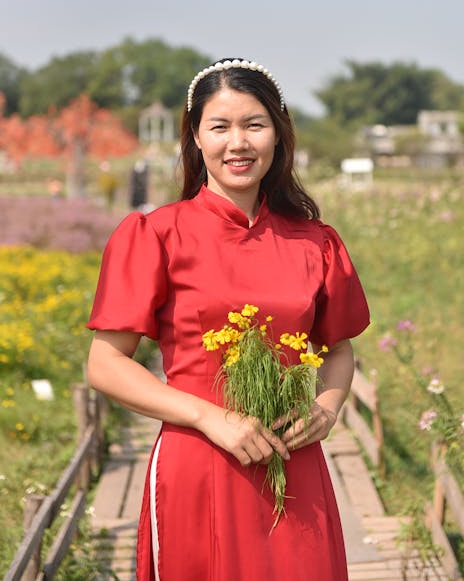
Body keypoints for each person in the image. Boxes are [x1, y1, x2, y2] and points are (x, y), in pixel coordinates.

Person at [87, 58, 370, 581]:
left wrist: (326, 412)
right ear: (196, 137)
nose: (237, 143)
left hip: (293, 463)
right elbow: (105, 364)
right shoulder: (156, 234)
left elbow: (338, 347)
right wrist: (209, 417)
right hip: (197, 463)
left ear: (278, 136)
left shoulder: (316, 241)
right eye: (220, 127)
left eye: (254, 125)